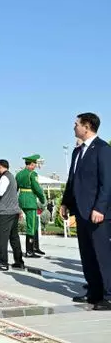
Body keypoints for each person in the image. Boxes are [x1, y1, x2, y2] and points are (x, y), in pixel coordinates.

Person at [61, 112, 111, 311]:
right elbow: (72, 180)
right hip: (80, 211)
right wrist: (65, 203)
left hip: (98, 212)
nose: (74, 127)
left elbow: (107, 183)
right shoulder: (77, 151)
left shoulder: (103, 149)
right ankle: (94, 292)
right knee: (87, 254)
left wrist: (100, 207)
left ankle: (109, 294)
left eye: (76, 124)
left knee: (102, 254)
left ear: (87, 126)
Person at [0, 160, 24, 271]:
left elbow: (0, 192)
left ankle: (3, 262)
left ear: (0, 167)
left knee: (2, 238)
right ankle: (19, 261)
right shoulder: (11, 176)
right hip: (13, 211)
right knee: (14, 237)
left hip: (6, 212)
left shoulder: (4, 177)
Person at [15, 154, 46, 258]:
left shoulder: (18, 174)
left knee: (35, 223)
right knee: (31, 226)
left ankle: (35, 247)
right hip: (30, 200)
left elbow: (16, 188)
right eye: (34, 164)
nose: (35, 166)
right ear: (31, 164)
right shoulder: (32, 174)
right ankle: (29, 250)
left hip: (21, 199)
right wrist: (42, 198)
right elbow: (37, 188)